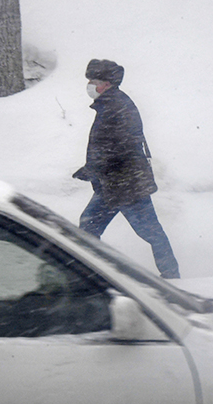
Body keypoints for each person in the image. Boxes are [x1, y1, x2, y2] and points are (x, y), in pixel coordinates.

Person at [73, 59, 180, 279]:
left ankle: (172, 277)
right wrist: (92, 168)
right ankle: (95, 276)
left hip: (127, 184)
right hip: (112, 184)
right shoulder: (110, 105)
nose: (90, 85)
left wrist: (93, 168)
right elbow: (108, 145)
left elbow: (119, 146)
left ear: (107, 84)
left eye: (94, 81)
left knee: (150, 231)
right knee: (89, 225)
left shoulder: (117, 106)